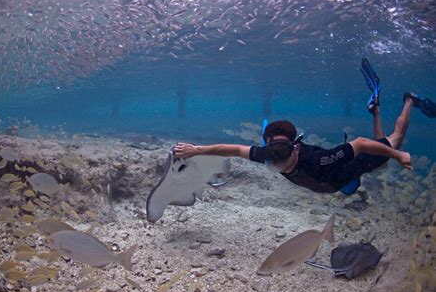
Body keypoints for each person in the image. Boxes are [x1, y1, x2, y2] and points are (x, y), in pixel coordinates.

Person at [173, 93, 417, 194]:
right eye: (272, 153)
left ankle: (409, 101)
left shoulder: (320, 159)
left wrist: (399, 156)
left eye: (283, 152)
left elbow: (362, 144)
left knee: (393, 140)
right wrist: (197, 150)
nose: (276, 159)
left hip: (349, 168)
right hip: (331, 183)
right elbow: (235, 149)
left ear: (296, 147)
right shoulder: (264, 154)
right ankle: (375, 111)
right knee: (382, 142)